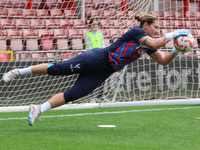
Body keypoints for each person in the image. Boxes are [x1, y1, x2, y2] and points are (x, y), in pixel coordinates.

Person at [2, 14, 189, 126]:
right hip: (97, 58)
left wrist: (176, 50)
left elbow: (164, 61)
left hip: (104, 72)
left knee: (74, 95)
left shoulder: (148, 45)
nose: (158, 31)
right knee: (58, 69)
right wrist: (174, 34)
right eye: (156, 27)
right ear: (145, 26)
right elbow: (156, 41)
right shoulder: (136, 31)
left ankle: (37, 109)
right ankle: (19, 71)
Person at [84, 18, 108, 103]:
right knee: (92, 78)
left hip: (100, 59)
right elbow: (89, 47)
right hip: (91, 59)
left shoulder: (100, 34)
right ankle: (92, 97)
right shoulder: (87, 35)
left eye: (97, 24)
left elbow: (103, 46)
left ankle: (101, 95)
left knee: (103, 78)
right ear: (90, 25)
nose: (95, 26)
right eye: (94, 24)